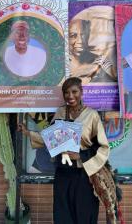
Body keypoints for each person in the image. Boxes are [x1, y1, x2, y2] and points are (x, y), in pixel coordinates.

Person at [18, 77, 116, 224]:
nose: (70, 96)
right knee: (63, 216)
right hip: (63, 174)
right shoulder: (60, 113)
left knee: (84, 214)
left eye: (74, 91)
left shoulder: (91, 116)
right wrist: (28, 133)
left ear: (81, 92)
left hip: (85, 176)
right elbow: (50, 139)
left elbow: (102, 147)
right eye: (66, 92)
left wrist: (80, 156)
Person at [69, 18, 117, 84]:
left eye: (83, 35)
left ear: (88, 35)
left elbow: (118, 78)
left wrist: (111, 71)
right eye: (73, 35)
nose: (80, 41)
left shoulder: (101, 61)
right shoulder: (60, 62)